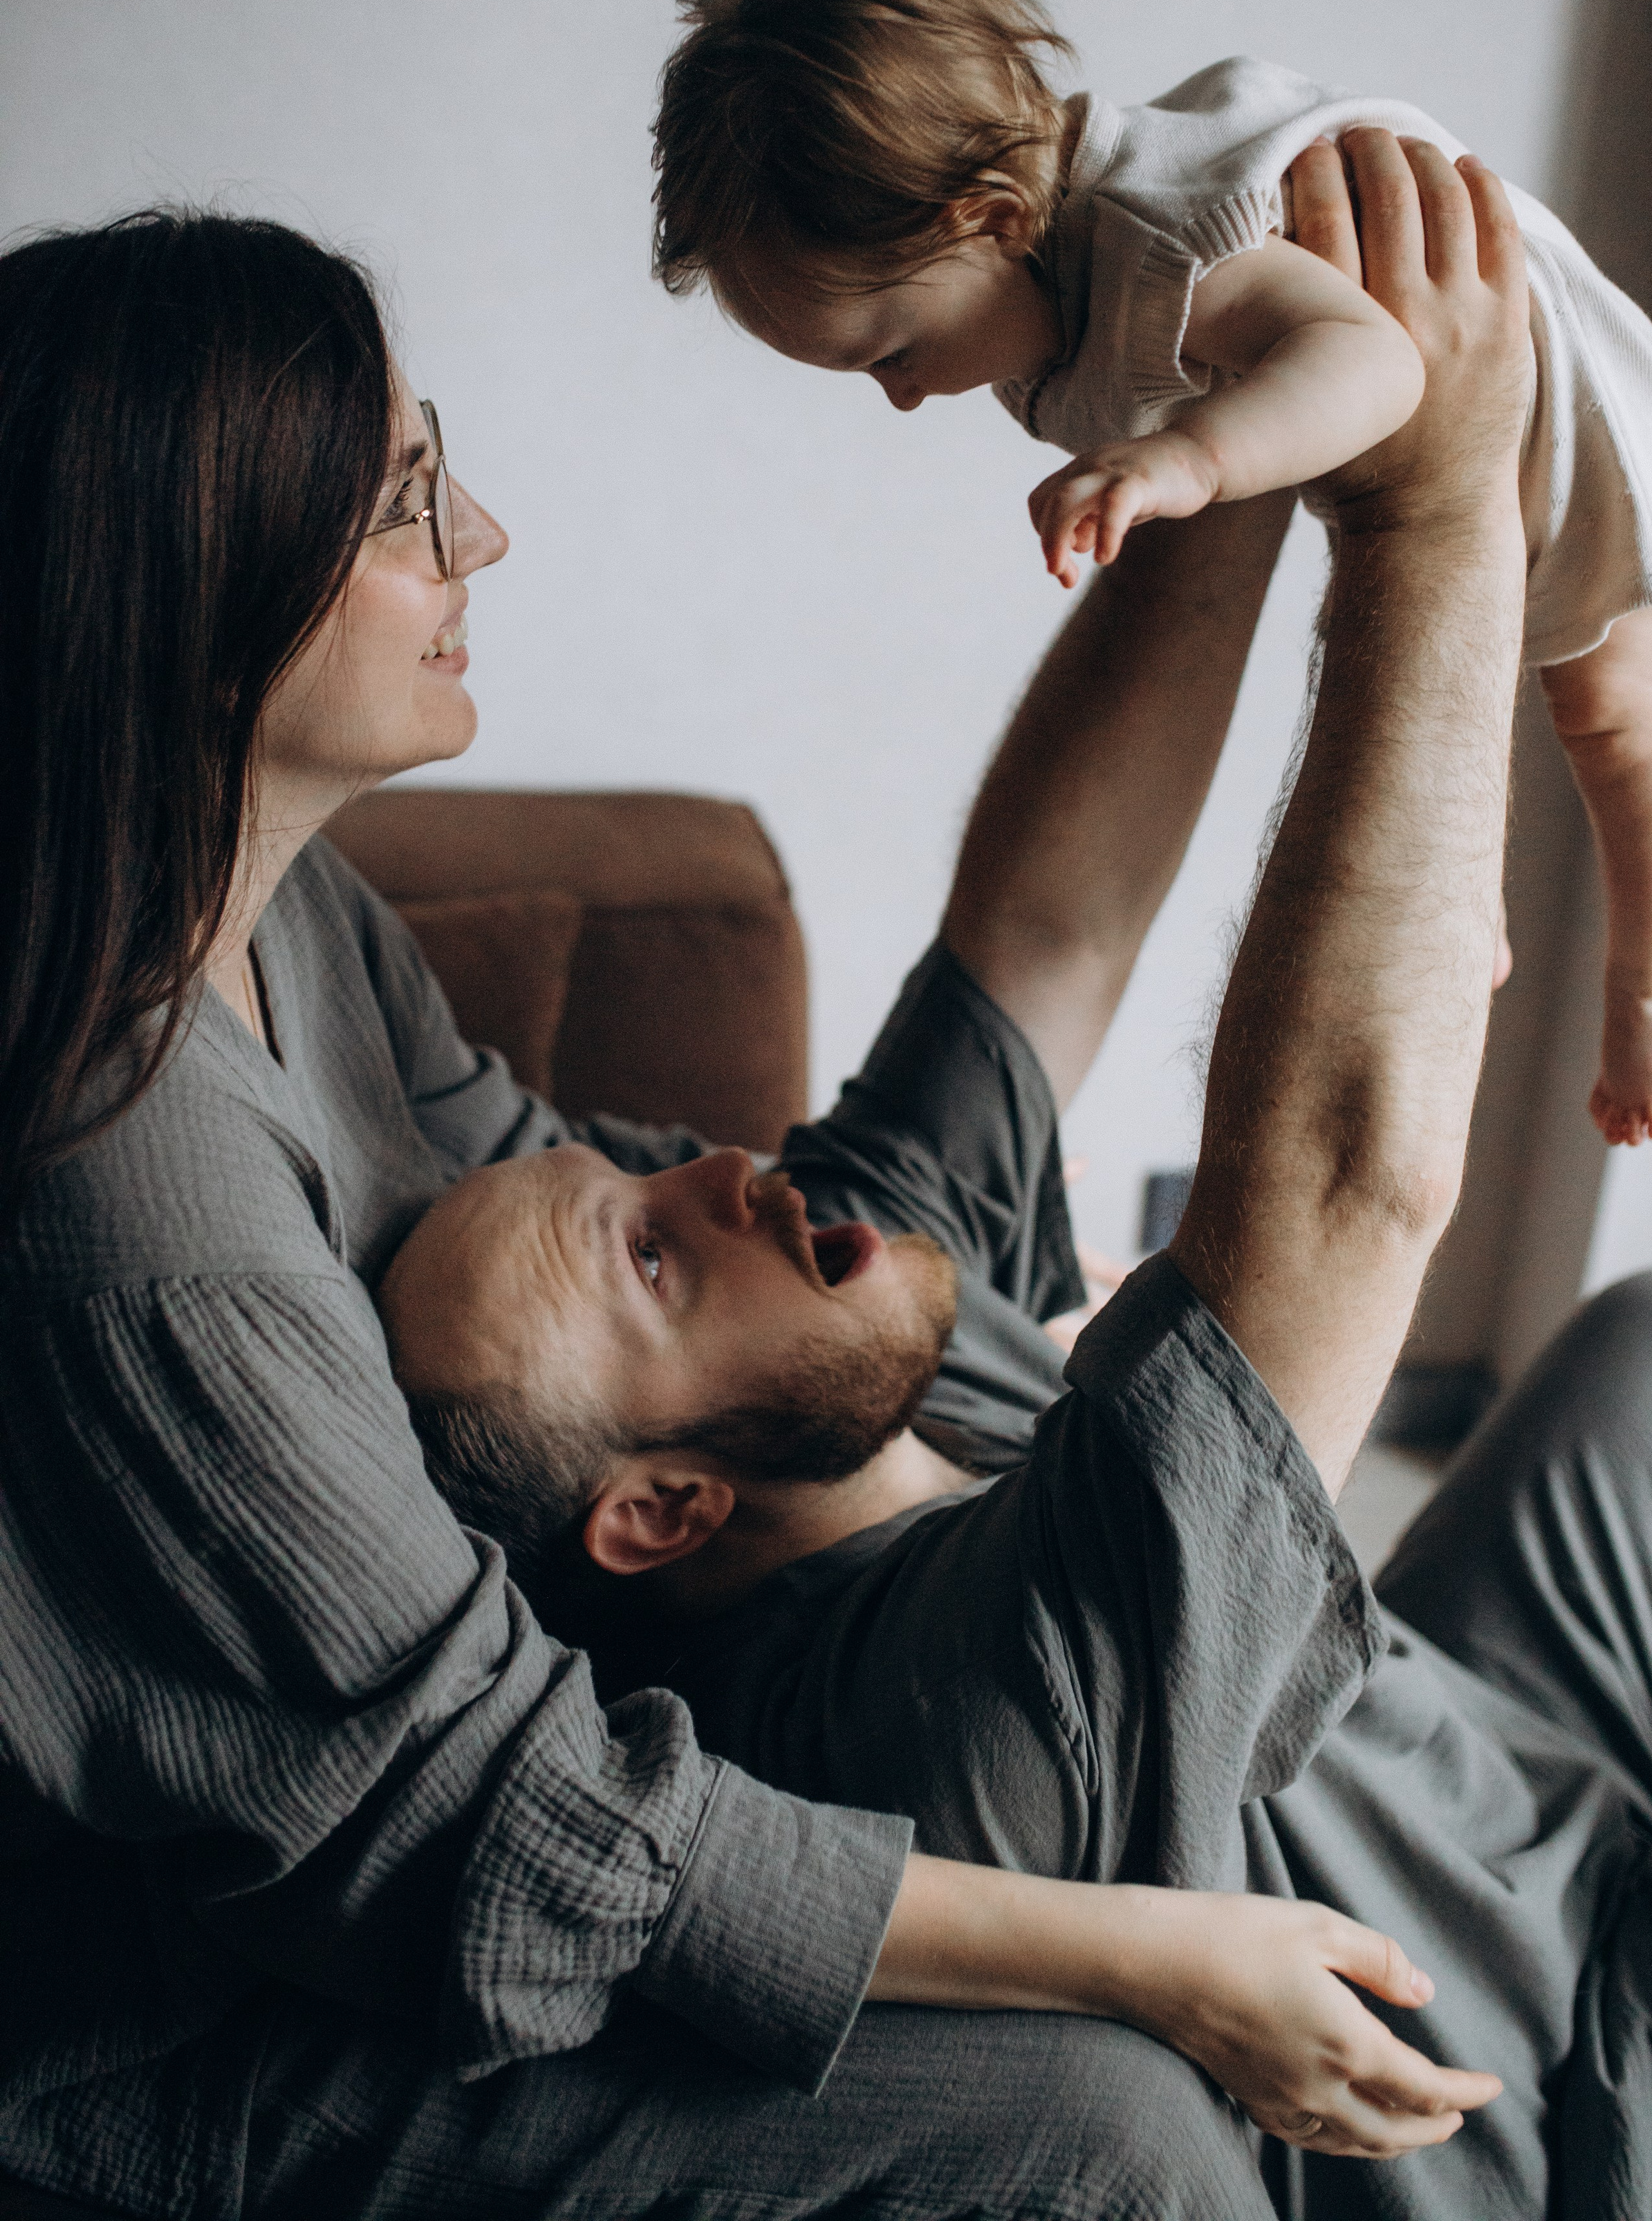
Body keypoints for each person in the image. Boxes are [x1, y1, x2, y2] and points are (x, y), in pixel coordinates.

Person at [391, 138, 1652, 2218]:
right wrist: (1436, 488)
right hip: (1607, 2069)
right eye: (658, 1255)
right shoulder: (940, 1711)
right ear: (666, 1508)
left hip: (1514, 1757)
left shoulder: (844, 1327)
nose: (740, 1176)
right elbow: (1343, 1179)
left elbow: (1041, 936)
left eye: (660, 1168)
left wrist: (1190, 413)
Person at [0, 207, 1347, 2221]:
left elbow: (597, 1199)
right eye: (403, 507)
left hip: (504, 1745)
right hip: (198, 2031)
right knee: (1118, 2132)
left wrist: (1240, 441)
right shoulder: (139, 1204)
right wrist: (1158, 1957)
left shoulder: (289, 915)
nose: (485, 541)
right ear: (191, 618)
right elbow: (479, 1815)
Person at [650, 0, 1652, 1151]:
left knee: (1615, 723)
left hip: (1566, 410)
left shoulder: (1162, 236)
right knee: (1454, 686)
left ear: (990, 218)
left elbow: (1373, 359)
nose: (898, 396)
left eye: (894, 351)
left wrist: (1189, 459)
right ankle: (1467, 897)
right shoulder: (1045, 276)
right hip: (1431, 429)